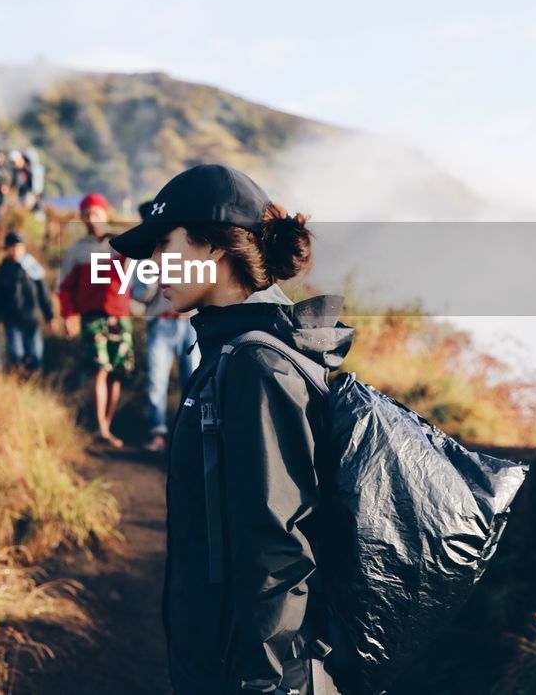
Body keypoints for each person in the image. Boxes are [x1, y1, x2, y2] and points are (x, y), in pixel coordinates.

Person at [109, 164, 348, 695]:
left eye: (162, 244)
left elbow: (278, 555)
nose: (151, 265)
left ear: (213, 248)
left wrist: (263, 687)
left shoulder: (256, 367)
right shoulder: (236, 354)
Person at [57, 193, 135, 447]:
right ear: (81, 218)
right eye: (86, 214)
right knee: (100, 369)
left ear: (105, 214)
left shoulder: (122, 244)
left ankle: (107, 425)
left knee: (117, 373)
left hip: (120, 315)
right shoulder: (77, 251)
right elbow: (65, 287)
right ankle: (101, 426)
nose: (91, 219)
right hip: (92, 316)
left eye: (95, 213)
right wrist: (69, 316)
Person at [130, 201, 199, 453]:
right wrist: (152, 278)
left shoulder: (186, 249)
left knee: (193, 380)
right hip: (161, 323)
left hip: (190, 323)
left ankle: (189, 436)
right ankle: (157, 433)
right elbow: (138, 293)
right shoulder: (144, 255)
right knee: (156, 380)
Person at [0, 231, 56, 370]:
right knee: (16, 355)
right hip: (12, 322)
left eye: (19, 247)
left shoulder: (32, 268)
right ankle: (18, 381)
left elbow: (43, 293)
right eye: (12, 248)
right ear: (7, 250)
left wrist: (50, 316)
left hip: (32, 320)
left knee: (36, 357)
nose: (16, 251)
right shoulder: (1, 273)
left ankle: (32, 382)